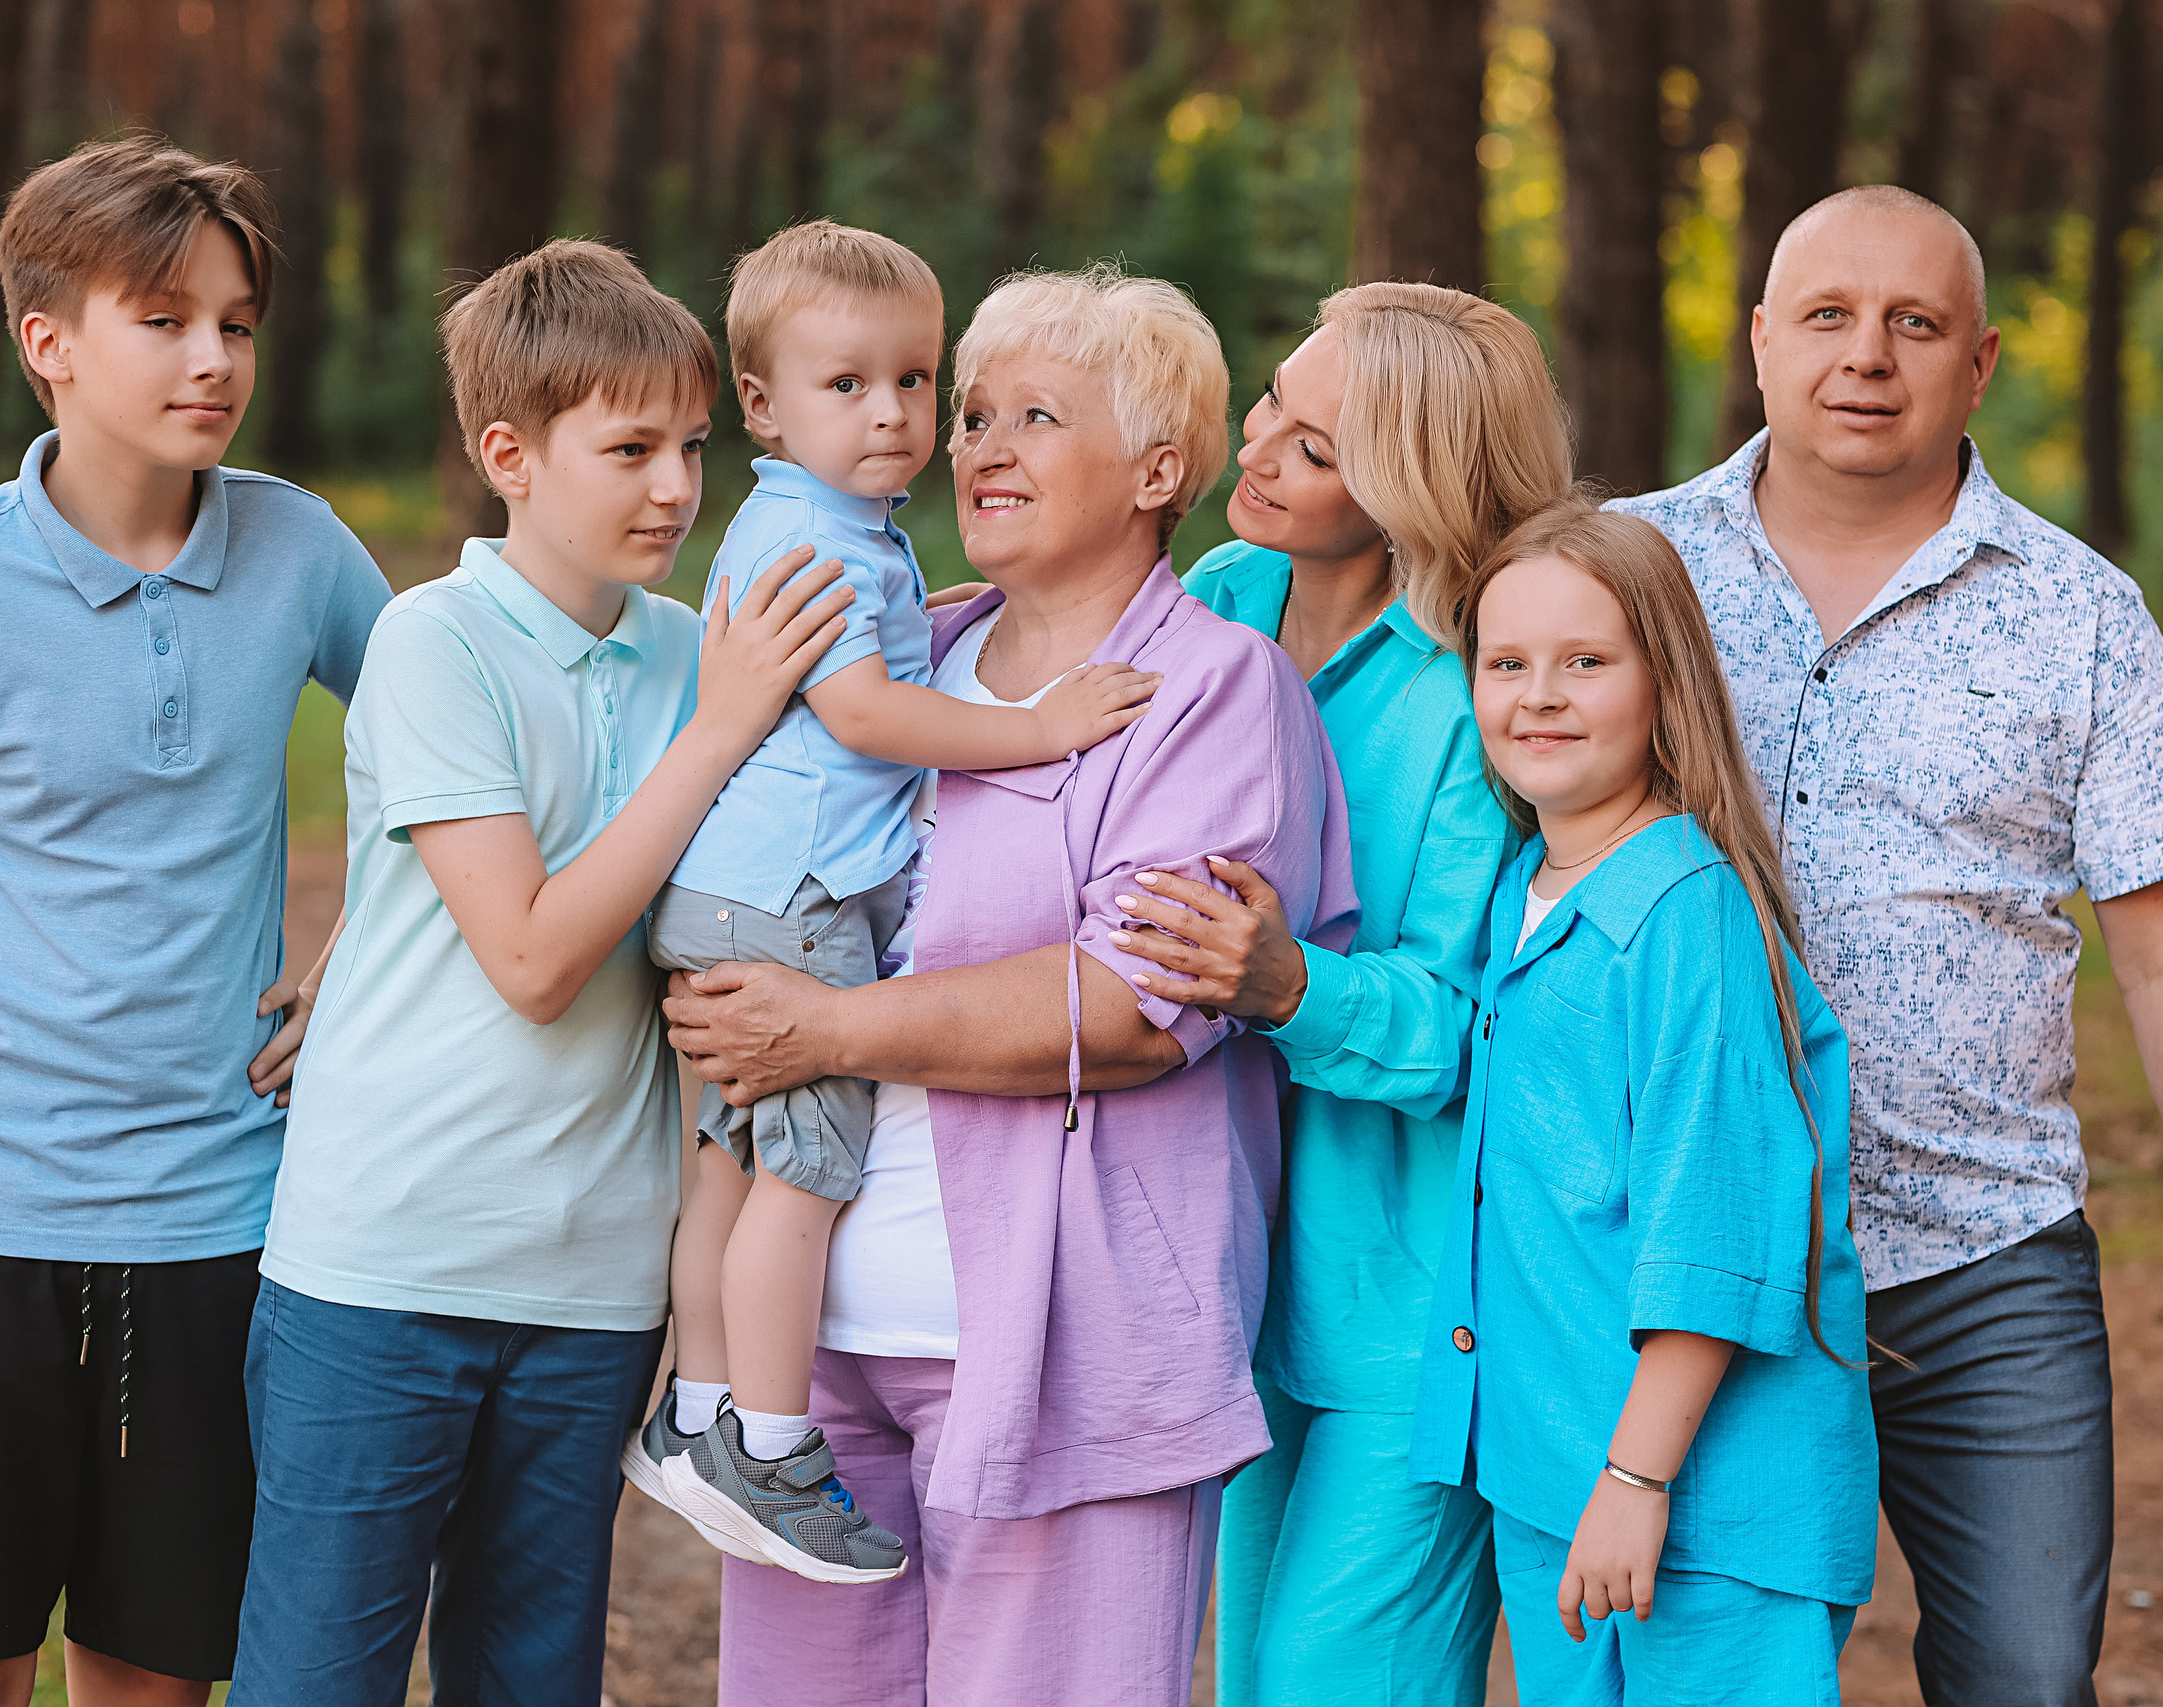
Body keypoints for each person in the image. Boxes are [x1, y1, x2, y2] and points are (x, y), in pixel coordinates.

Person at [1614, 184, 2163, 1704]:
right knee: (1695, 1669)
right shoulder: (1626, 575)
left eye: (1915, 323)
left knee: (2025, 1675)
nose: (1866, 356)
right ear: (1760, 342)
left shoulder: (2080, 615)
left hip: (1981, 1256)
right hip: (1685, 1243)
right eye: (1826, 315)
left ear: (1982, 363)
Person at [662, 263, 1355, 1706]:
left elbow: (1132, 1005)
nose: (976, 442)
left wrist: (832, 1029)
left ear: (1159, 468)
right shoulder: (920, 645)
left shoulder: (1211, 687)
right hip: (817, 1355)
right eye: (971, 410)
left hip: (1067, 1347)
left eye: (1034, 415)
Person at [227, 241, 852, 1704]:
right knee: (320, 1674)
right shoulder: (434, 643)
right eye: (629, 448)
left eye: (693, 446)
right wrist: (719, 728)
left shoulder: (698, 651)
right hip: (384, 1265)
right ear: (509, 452)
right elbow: (531, 955)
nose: (675, 488)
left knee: (530, 1678)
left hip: (594, 1281)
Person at [0, 137, 392, 1704]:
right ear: (49, 343)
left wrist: (360, 947)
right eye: (166, 317)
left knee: (154, 1680)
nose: (216, 357)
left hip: (224, 1225)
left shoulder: (298, 550)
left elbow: (458, 757)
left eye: (239, 323)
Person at [631, 222, 1153, 1582]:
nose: (896, 415)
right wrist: (1039, 724)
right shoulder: (829, 543)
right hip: (792, 897)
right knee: (806, 1174)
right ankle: (771, 1439)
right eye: (847, 385)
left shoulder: (814, 519)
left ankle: (692, 1414)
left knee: (730, 1164)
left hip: (723, 886)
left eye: (917, 382)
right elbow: (862, 707)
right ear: (761, 402)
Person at [1104, 282, 1571, 1706]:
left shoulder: (1477, 685)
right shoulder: (1212, 601)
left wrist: (1289, 981)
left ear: (1411, 490)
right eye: (1270, 405)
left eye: (1313, 449)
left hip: (1412, 1296)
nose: (1256, 452)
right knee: (1253, 1678)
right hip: (1227, 1263)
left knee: (1332, 1680)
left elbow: (1470, 1023)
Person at [1413, 497, 1877, 1704]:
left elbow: (1714, 1229)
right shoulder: (1527, 880)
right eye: (1505, 663)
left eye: (1586, 662)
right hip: (1555, 1475)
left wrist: (1635, 1485)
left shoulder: (1686, 915)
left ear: (1662, 681)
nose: (1540, 695)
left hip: (1700, 1508)